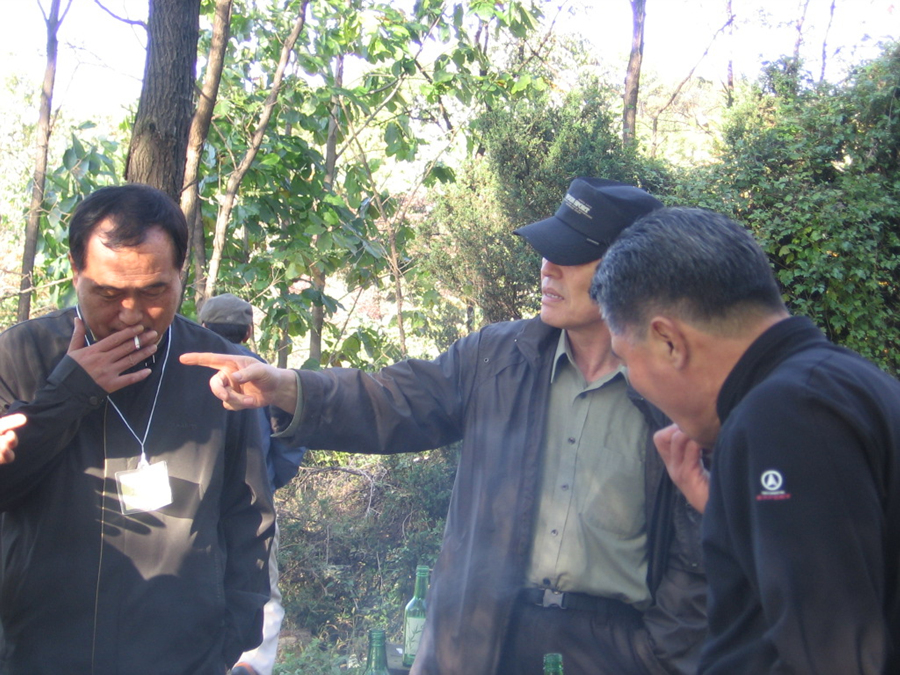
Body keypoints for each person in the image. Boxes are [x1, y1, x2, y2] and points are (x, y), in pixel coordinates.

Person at [182, 178, 708, 675]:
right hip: (480, 638)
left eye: (570, 256)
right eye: (548, 252)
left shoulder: (677, 388)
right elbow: (392, 400)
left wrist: (659, 653)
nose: (548, 268)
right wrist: (285, 387)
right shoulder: (498, 357)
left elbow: (700, 541)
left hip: (614, 650)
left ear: (629, 272)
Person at [590, 206, 900, 674]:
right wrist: (726, 508)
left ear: (669, 341)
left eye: (625, 359)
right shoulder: (844, 382)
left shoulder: (785, 416)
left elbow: (834, 653)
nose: (631, 379)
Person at [0, 184, 275, 675]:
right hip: (40, 650)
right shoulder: (21, 356)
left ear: (180, 274)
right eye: (107, 293)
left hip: (183, 656)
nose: (130, 313)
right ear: (75, 271)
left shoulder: (218, 367)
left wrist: (231, 637)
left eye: (153, 292)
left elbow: (248, 510)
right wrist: (68, 393)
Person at [198, 293, 307, 675]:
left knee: (191, 583)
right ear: (248, 331)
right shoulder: (266, 377)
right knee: (259, 587)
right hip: (253, 500)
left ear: (203, 328)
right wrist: (269, 481)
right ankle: (251, 665)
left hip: (192, 503)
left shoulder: (181, 373)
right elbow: (289, 438)